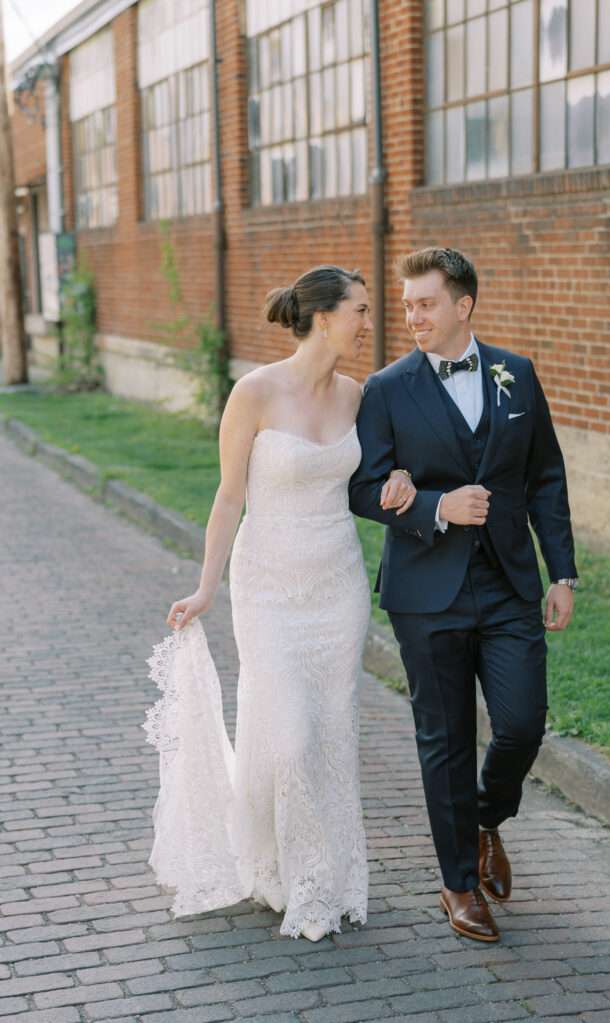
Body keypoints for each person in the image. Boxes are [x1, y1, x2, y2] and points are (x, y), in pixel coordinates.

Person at [145, 265, 416, 941]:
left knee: (328, 735)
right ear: (323, 316)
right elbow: (228, 496)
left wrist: (403, 477)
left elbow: (381, 471)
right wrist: (207, 585)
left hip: (338, 587)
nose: (367, 320)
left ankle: (313, 877)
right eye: (359, 309)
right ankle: (287, 869)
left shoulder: (357, 396)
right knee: (290, 738)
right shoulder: (254, 393)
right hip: (267, 587)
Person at [349, 247, 578, 942]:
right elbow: (363, 487)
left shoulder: (517, 374)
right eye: (407, 303)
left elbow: (545, 477)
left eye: (424, 303)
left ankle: (486, 820)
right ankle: (456, 882)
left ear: (462, 306)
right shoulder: (386, 389)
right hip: (427, 592)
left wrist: (561, 572)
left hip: (509, 584)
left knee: (520, 722)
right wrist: (438, 506)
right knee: (443, 740)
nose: (411, 315)